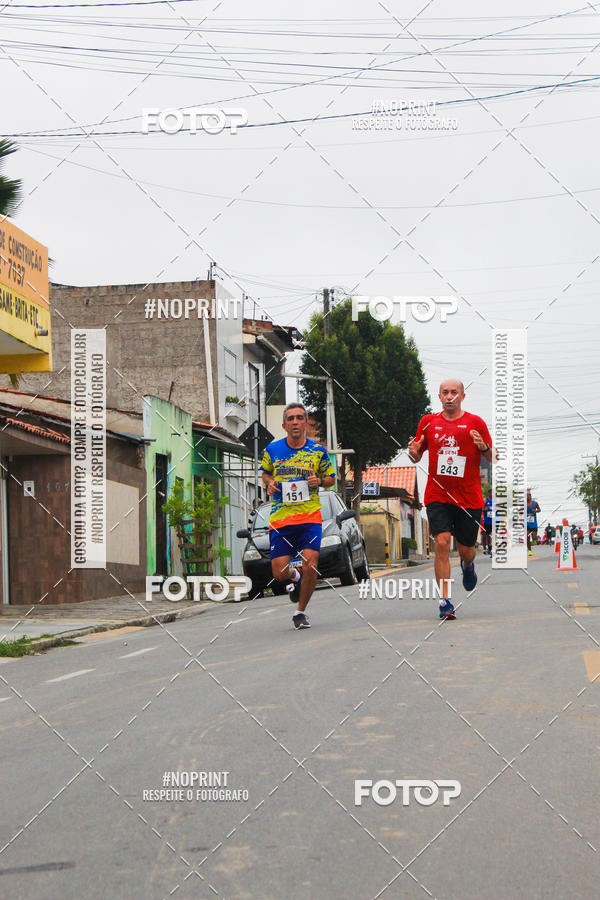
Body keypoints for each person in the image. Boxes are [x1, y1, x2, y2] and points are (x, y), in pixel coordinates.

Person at [408, 379, 494, 620]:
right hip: (438, 495)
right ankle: (445, 601)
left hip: (469, 498)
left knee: (467, 550)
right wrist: (413, 452)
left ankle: (468, 566)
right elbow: (416, 454)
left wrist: (484, 446)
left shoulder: (475, 422)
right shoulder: (428, 422)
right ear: (439, 396)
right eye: (445, 392)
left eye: (454, 392)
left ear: (462, 397)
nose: (449, 396)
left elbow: (493, 456)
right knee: (443, 543)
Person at [261, 402, 335, 630]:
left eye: (299, 418)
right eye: (291, 418)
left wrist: (319, 481)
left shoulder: (318, 451)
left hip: (309, 517)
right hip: (281, 519)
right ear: (284, 425)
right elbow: (265, 473)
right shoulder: (272, 450)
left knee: (311, 564)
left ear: (306, 423)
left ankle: (300, 611)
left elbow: (331, 478)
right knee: (279, 572)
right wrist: (270, 483)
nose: (295, 422)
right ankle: (294, 577)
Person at [526, 490, 541, 556]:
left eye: (528, 495)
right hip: (527, 523)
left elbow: (539, 510)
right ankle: (529, 550)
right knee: (527, 537)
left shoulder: (535, 503)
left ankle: (534, 540)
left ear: (530, 496)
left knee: (534, 537)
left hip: (534, 523)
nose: (526, 497)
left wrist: (535, 511)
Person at [481, 489, 493, 555]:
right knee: (487, 535)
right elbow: (480, 508)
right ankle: (489, 547)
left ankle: (491, 547)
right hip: (487, 521)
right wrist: (484, 509)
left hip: (494, 520)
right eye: (491, 493)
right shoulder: (485, 500)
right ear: (489, 493)